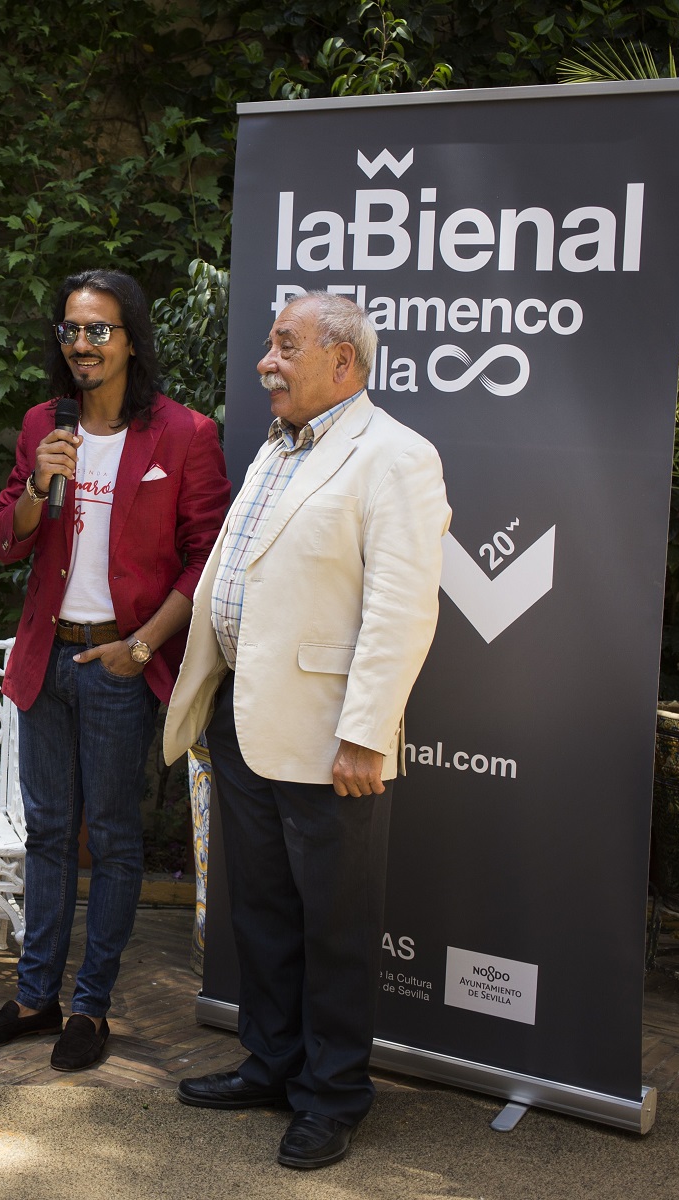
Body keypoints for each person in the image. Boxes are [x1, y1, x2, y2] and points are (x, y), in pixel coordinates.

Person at [165, 292, 450, 1169]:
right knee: (262, 912)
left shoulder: (397, 456)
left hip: (332, 742)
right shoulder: (275, 449)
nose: (266, 362)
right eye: (269, 344)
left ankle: (333, 1095)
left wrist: (366, 733)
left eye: (285, 346)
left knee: (335, 925)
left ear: (343, 361)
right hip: (244, 718)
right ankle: (272, 1064)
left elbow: (402, 608)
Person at [0, 268, 230, 1070]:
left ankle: (91, 1008)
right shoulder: (44, 424)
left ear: (131, 340)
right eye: (71, 330)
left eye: (99, 330)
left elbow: (207, 560)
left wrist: (141, 646)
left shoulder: (184, 434)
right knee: (49, 833)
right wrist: (39, 483)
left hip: (118, 663)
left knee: (111, 839)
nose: (82, 344)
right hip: (47, 659)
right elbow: (5, 540)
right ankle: (34, 998)